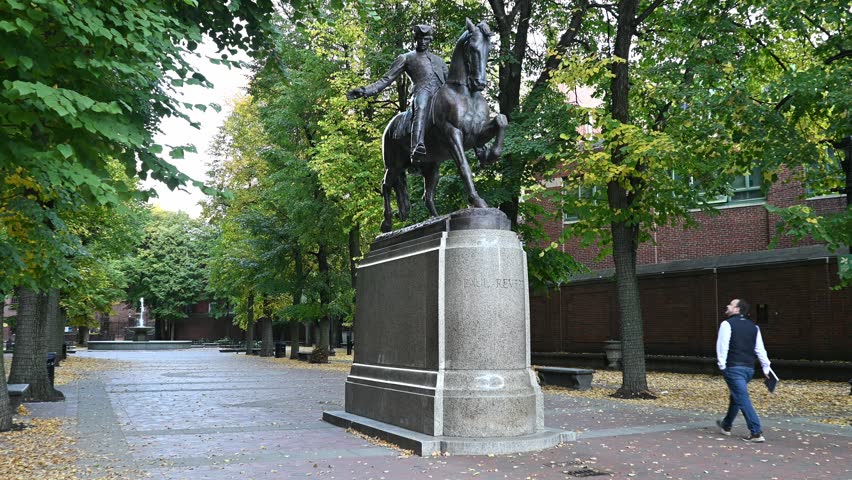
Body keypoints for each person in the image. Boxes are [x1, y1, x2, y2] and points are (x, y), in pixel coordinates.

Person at [347, 24, 448, 160]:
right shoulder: (406, 57)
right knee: (422, 106)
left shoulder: (439, 61)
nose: (423, 42)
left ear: (430, 40)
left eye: (426, 39)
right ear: (415, 40)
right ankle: (417, 145)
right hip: (422, 91)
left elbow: (449, 81)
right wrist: (365, 91)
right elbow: (386, 79)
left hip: (441, 94)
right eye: (420, 39)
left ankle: (477, 144)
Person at [715, 298, 771, 443]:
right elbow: (760, 349)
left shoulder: (727, 324)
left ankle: (756, 432)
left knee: (742, 397)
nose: (727, 305)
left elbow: (723, 345)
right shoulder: (754, 327)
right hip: (749, 368)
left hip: (733, 367)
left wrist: (722, 365)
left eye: (731, 304)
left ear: (737, 309)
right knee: (737, 396)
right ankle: (726, 425)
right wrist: (766, 366)